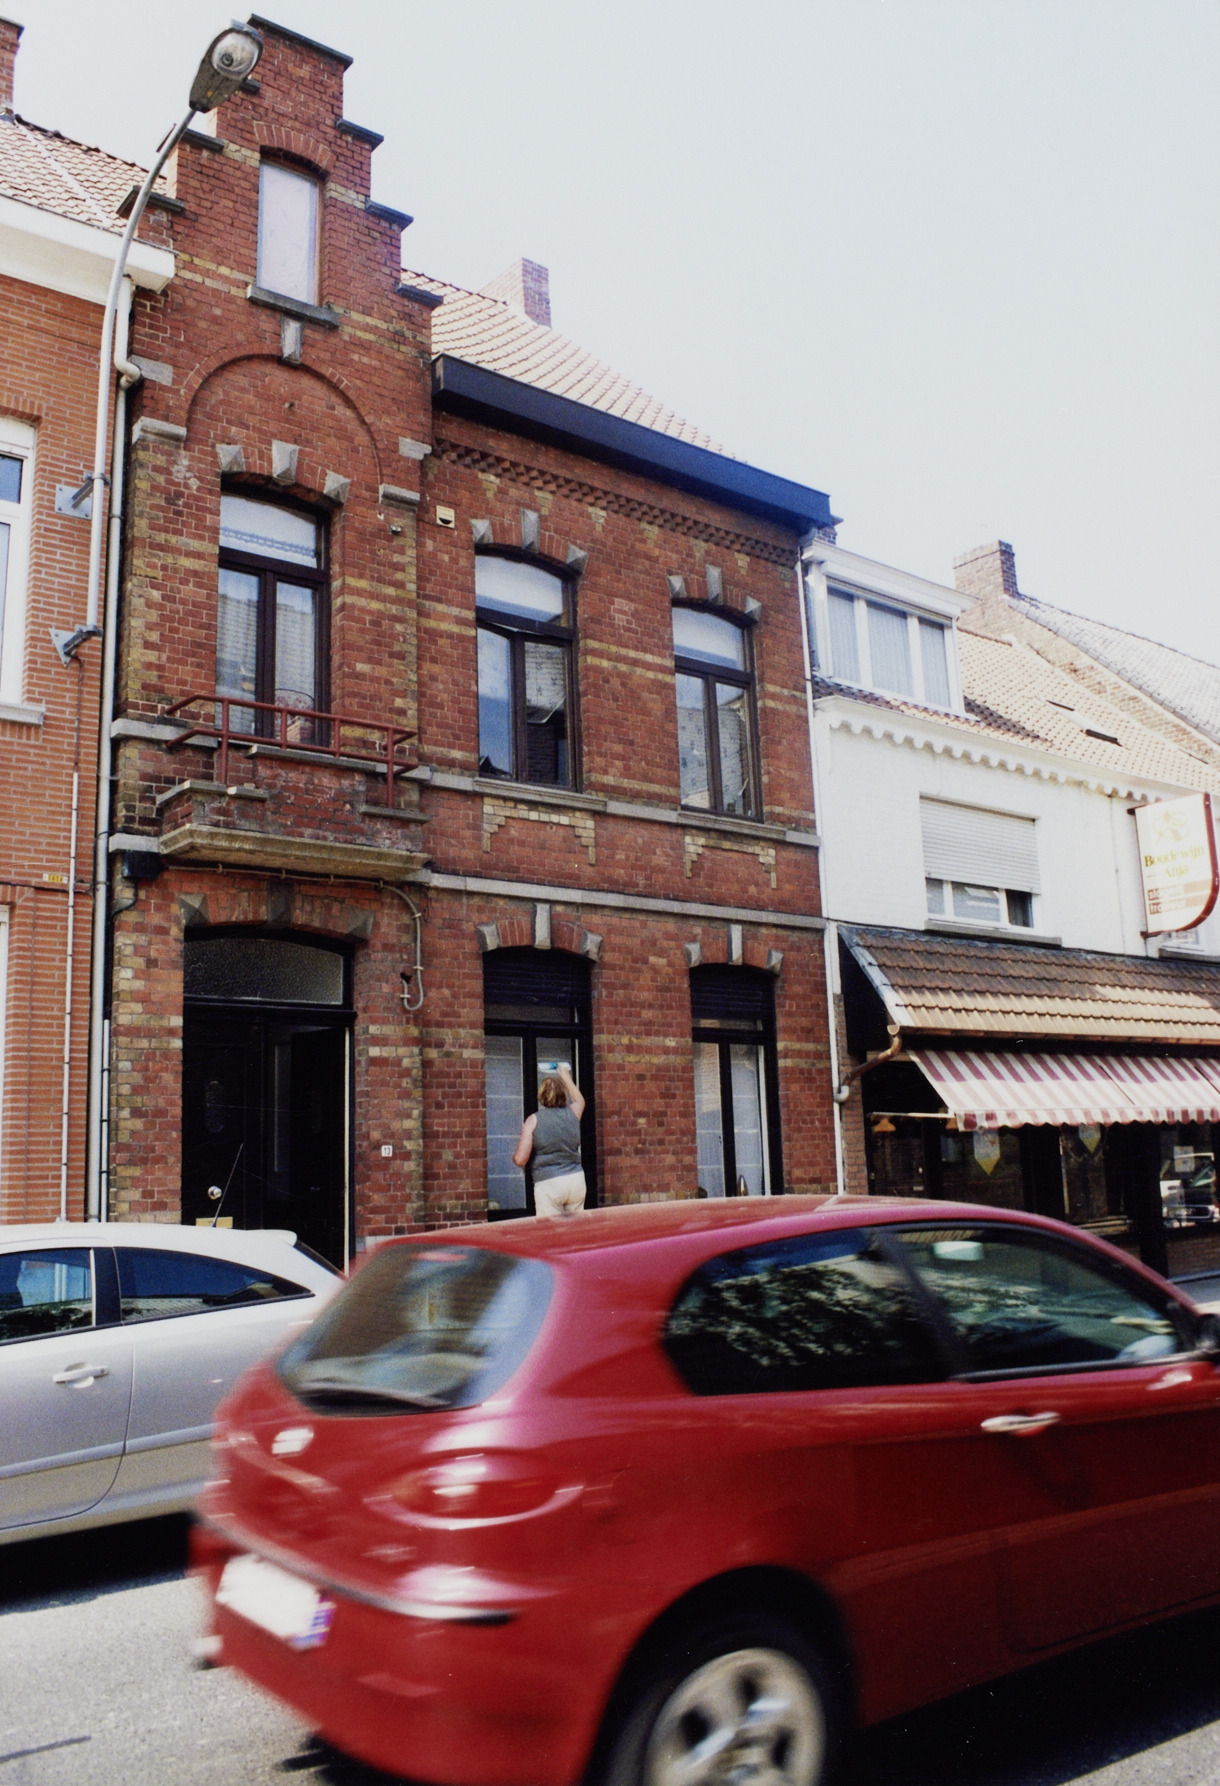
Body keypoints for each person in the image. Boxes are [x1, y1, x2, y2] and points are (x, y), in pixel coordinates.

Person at [514, 1064, 586, 1216]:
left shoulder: (533, 1120)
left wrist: (514, 1157)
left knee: (551, 1229)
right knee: (576, 1228)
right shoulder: (573, 1113)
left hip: (549, 1183)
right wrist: (565, 1075)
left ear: (541, 1096)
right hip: (576, 1180)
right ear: (563, 1095)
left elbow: (521, 1159)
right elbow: (579, 1100)